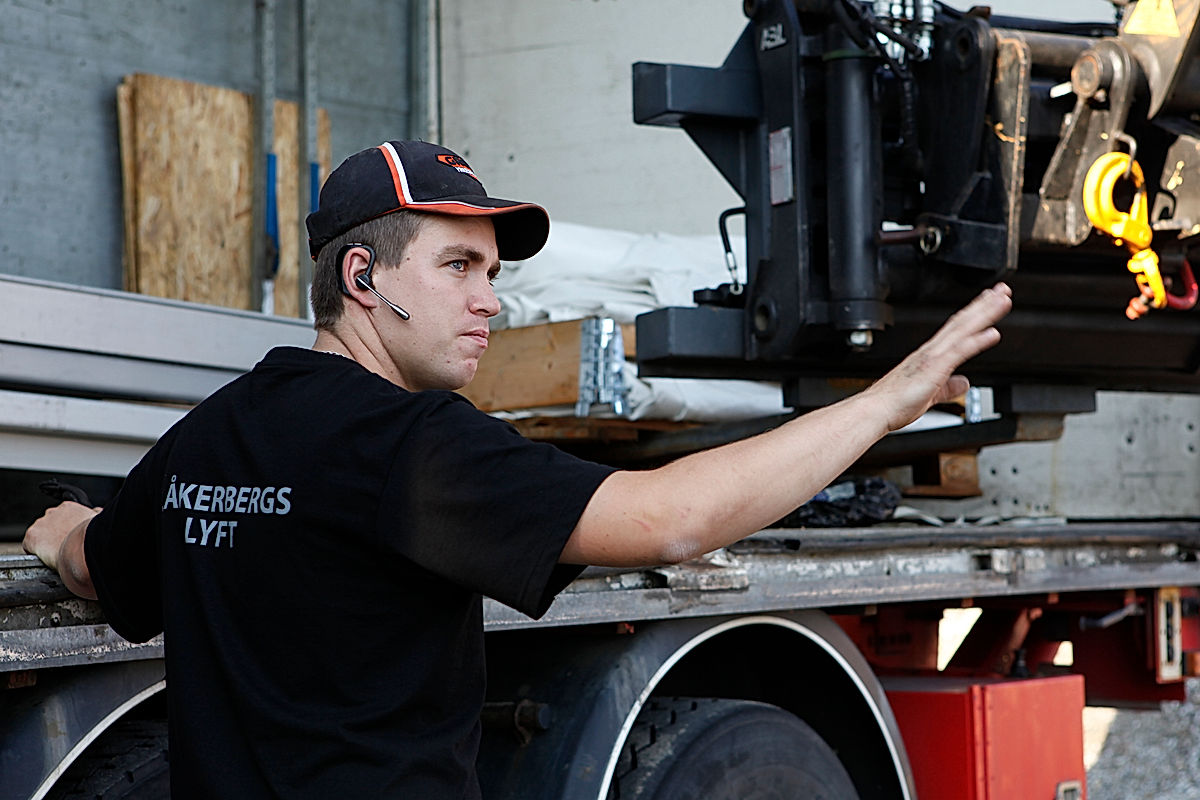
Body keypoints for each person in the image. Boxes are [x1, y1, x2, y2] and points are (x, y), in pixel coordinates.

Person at [24, 139, 1013, 798]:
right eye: (459, 266)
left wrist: (54, 520)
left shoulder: (211, 435)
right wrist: (885, 401)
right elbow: (670, 517)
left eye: (494, 274)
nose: (490, 300)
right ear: (364, 279)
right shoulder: (414, 447)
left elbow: (95, 565)